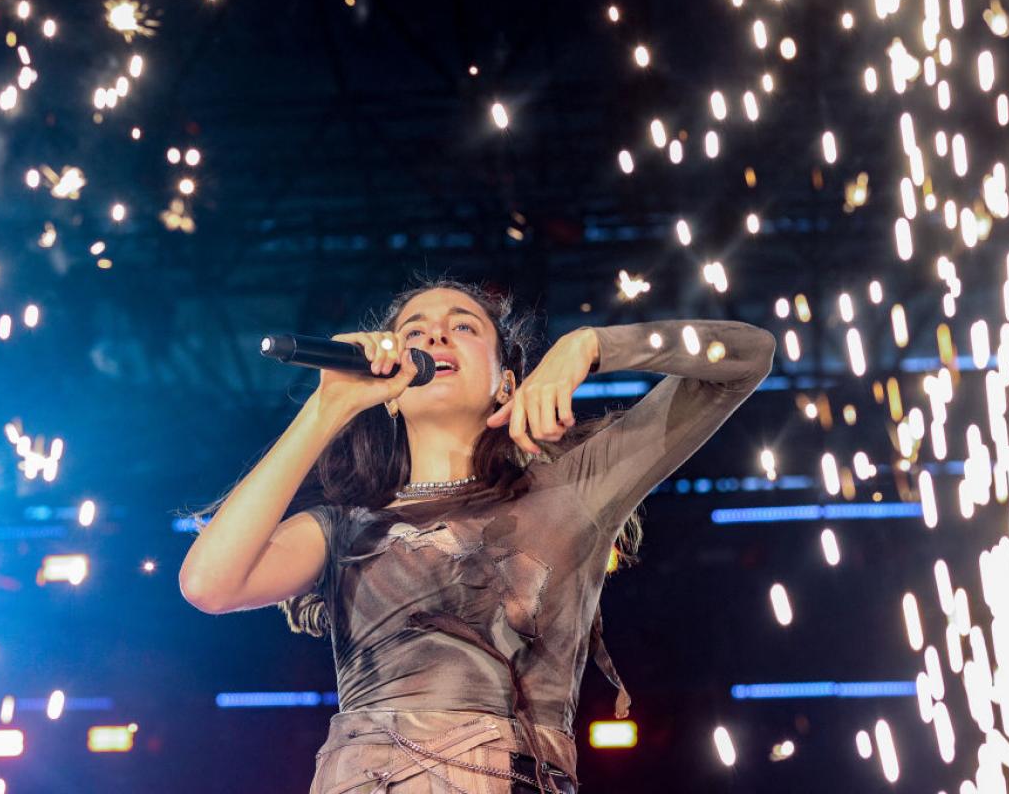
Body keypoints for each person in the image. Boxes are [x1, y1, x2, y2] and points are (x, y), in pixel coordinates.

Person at [179, 273, 776, 792]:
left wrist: (588, 346)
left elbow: (747, 357)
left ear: (509, 383)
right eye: (413, 332)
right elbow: (209, 584)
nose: (434, 336)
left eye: (463, 326)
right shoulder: (344, 525)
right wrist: (328, 407)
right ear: (390, 395)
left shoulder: (573, 489)